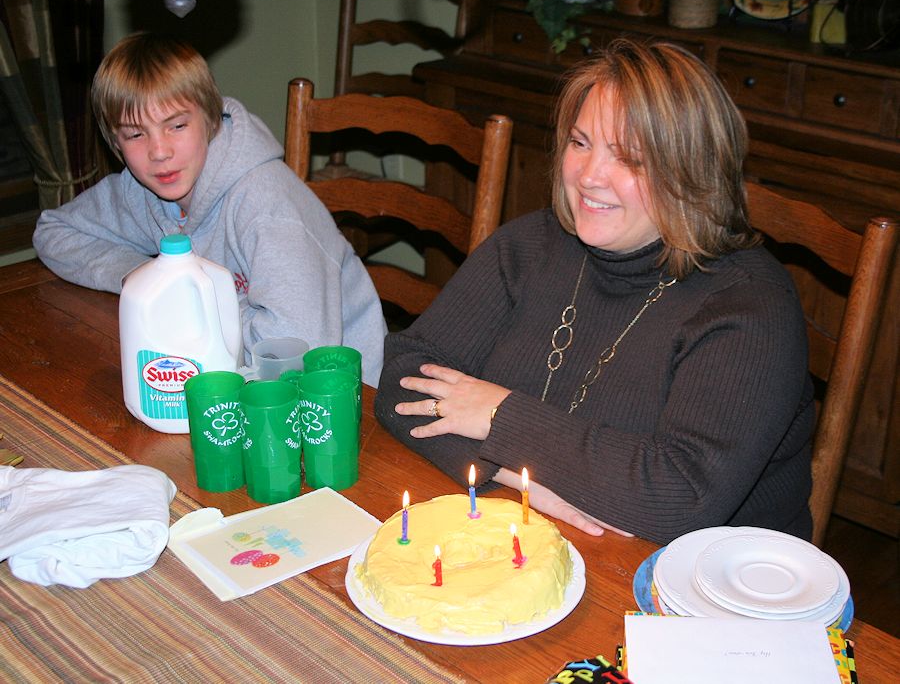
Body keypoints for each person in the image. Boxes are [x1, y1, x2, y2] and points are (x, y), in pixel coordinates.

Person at [374, 38, 814, 544]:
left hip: (700, 578)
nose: (589, 177)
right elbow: (403, 378)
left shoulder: (752, 307)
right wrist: (511, 477)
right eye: (580, 143)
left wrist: (497, 415)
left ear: (693, 172)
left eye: (628, 158)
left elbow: (677, 497)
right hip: (528, 534)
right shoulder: (530, 246)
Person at [32, 32, 386, 386]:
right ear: (115, 143)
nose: (159, 152)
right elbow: (54, 231)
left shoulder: (267, 205)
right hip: (230, 377)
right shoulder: (141, 190)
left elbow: (292, 355)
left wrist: (197, 307)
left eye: (177, 126)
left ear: (210, 119)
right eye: (136, 134)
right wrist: (146, 278)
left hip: (346, 397)